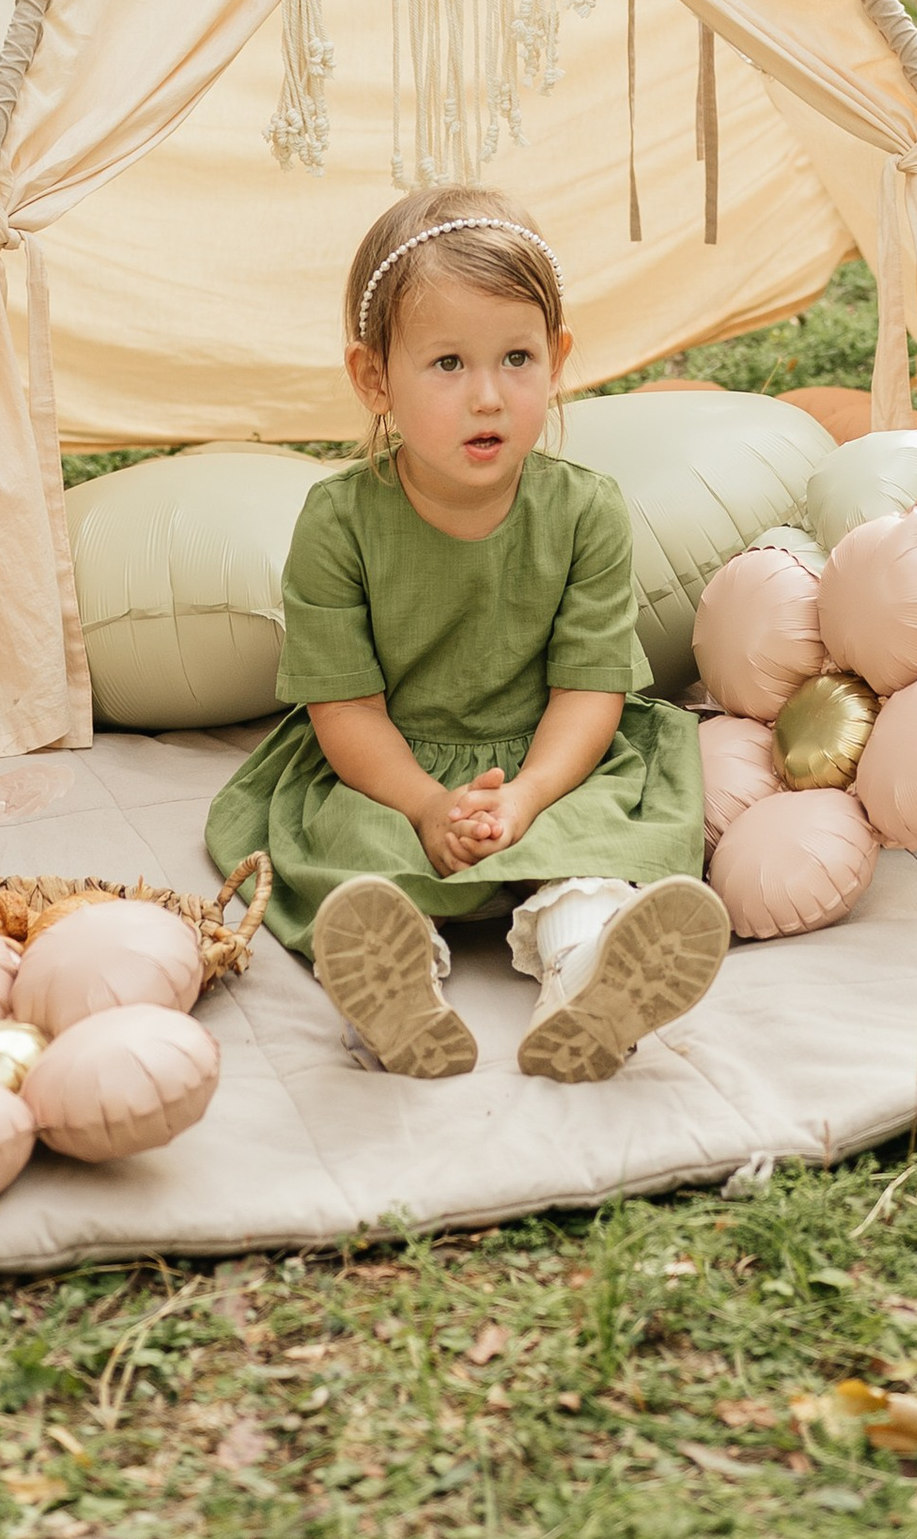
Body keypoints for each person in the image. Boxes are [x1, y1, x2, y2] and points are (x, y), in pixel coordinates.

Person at [204, 183, 728, 1083]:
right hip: (389, 762)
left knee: (606, 827)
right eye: (447, 364)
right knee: (347, 847)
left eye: (517, 358)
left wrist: (523, 796)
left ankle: (587, 973)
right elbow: (345, 709)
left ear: (558, 359)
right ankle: (397, 988)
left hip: (555, 757)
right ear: (375, 378)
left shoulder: (586, 514)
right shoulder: (338, 525)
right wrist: (422, 805)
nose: (488, 396)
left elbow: (589, 691)